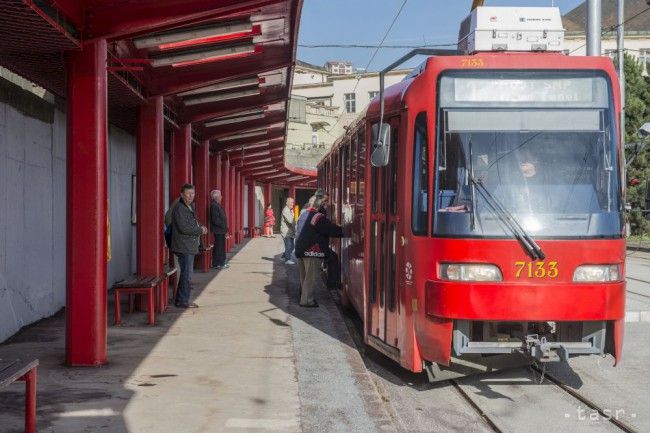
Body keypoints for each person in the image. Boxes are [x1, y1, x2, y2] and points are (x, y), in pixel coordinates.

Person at [295, 196, 344, 307]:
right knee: (310, 278)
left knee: (304, 278)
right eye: (324, 204)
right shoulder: (318, 217)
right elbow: (332, 230)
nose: (326, 206)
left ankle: (304, 297)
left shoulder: (304, 215)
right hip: (312, 251)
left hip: (300, 250)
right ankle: (307, 301)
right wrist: (344, 229)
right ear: (320, 205)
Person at [171, 183, 207, 309]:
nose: (191, 196)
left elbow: (191, 224)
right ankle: (182, 301)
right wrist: (200, 230)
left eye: (192, 193)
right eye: (188, 193)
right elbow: (184, 228)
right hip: (184, 246)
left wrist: (200, 228)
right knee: (187, 274)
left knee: (186, 273)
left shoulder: (189, 206)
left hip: (188, 245)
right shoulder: (180, 208)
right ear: (182, 194)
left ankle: (181, 299)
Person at [209, 189, 229, 269]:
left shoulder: (217, 205)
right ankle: (217, 263)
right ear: (216, 197)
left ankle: (221, 262)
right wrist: (223, 225)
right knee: (218, 247)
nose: (221, 197)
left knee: (221, 246)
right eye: (220, 196)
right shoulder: (214, 205)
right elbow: (215, 219)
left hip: (221, 230)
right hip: (218, 230)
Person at [280, 197, 296, 265]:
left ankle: (284, 256)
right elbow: (291, 221)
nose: (293, 204)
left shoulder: (290, 210)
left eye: (293, 202)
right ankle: (287, 259)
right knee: (289, 246)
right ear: (287, 203)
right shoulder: (286, 210)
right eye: (291, 202)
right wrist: (296, 221)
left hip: (290, 232)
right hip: (286, 232)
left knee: (292, 247)